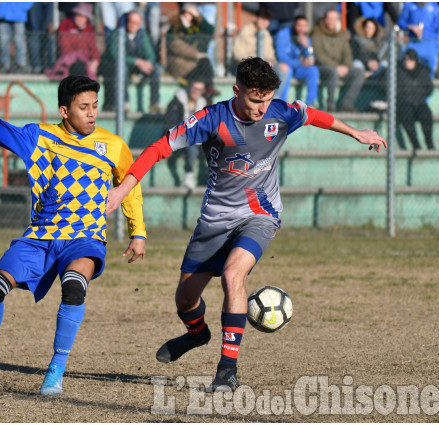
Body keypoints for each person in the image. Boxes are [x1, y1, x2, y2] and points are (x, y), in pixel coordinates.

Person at [105, 57, 387, 391]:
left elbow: (312, 115)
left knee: (232, 275)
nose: (261, 107)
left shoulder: (280, 112)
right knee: (185, 299)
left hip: (260, 215)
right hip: (214, 220)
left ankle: (227, 371)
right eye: (255, 99)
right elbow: (159, 148)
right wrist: (123, 189)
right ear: (237, 91)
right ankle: (197, 334)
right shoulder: (212, 119)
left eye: (266, 99)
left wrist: (355, 132)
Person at [0, 75, 147, 396]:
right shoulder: (40, 136)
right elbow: (0, 130)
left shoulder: (113, 144)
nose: (92, 113)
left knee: (74, 287)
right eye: (84, 107)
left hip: (85, 237)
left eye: (95, 106)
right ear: (64, 111)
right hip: (41, 234)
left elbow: (130, 186)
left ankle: (55, 371)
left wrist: (138, 232)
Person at [99, 10, 162, 113]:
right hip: (120, 66)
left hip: (138, 67)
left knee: (157, 69)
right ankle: (125, 102)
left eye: (136, 23)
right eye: (131, 22)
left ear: (140, 24)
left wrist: (147, 63)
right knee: (122, 68)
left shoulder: (142, 34)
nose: (133, 25)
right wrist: (136, 61)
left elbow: (150, 54)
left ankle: (154, 103)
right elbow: (116, 55)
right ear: (127, 22)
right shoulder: (117, 33)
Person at [311, 9, 366, 112]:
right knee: (333, 72)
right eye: (329, 19)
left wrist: (346, 66)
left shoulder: (342, 33)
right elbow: (319, 55)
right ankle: (331, 105)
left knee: (359, 72)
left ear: (337, 20)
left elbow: (348, 54)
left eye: (334, 19)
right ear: (325, 19)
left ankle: (347, 104)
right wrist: (336, 67)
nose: (331, 21)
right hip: (323, 67)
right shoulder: (316, 32)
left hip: (341, 67)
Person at [232, 6, 289, 99]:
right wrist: (255, 62)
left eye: (267, 20)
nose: (264, 22)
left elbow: (271, 54)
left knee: (284, 68)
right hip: (248, 66)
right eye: (262, 18)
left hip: (264, 65)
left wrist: (269, 60)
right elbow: (237, 53)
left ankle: (274, 98)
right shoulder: (246, 31)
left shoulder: (266, 34)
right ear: (256, 18)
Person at [166, 3, 218, 101]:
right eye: (186, 13)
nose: (188, 16)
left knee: (204, 66)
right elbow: (176, 45)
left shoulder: (194, 27)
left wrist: (198, 16)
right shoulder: (175, 26)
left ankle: (208, 96)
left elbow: (210, 31)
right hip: (181, 65)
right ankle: (208, 91)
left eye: (191, 14)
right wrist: (196, 54)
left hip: (194, 64)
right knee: (204, 65)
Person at [164, 79, 207, 189]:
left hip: (198, 140)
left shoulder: (203, 103)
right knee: (191, 145)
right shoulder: (176, 102)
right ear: (189, 87)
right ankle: (189, 174)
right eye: (195, 88)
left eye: (200, 89)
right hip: (178, 138)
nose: (197, 91)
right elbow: (170, 124)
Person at [45, 3, 100, 81]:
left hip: (84, 62)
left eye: (83, 16)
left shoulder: (89, 29)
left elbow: (94, 49)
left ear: (87, 19)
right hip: (70, 61)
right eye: (78, 15)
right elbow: (64, 48)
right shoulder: (65, 25)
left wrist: (95, 61)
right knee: (78, 67)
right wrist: (78, 55)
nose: (80, 19)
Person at [274, 15, 320, 106]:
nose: (301, 29)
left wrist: (307, 46)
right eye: (299, 25)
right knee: (287, 70)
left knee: (313, 70)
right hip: (285, 66)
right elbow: (281, 57)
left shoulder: (306, 38)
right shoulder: (283, 34)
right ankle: (282, 104)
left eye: (304, 26)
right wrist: (300, 62)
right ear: (294, 25)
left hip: (299, 68)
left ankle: (310, 104)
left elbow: (311, 58)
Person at [396, 49, 435, 150]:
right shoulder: (397, 70)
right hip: (403, 103)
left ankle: (429, 141)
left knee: (426, 115)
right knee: (406, 115)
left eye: (411, 60)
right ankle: (415, 144)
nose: (408, 62)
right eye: (406, 59)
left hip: (419, 102)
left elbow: (429, 88)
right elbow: (385, 86)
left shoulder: (422, 70)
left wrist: (419, 95)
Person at [397, 2, 439, 78]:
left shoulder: (436, 8)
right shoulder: (409, 5)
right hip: (414, 42)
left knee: (430, 70)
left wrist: (437, 45)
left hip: (430, 43)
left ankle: (427, 85)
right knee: (407, 66)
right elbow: (401, 22)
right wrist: (411, 27)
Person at [0, 2, 33, 73]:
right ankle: (4, 65)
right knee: (3, 41)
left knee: (19, 41)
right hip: (3, 14)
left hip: (19, 15)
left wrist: (23, 7)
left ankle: (21, 64)